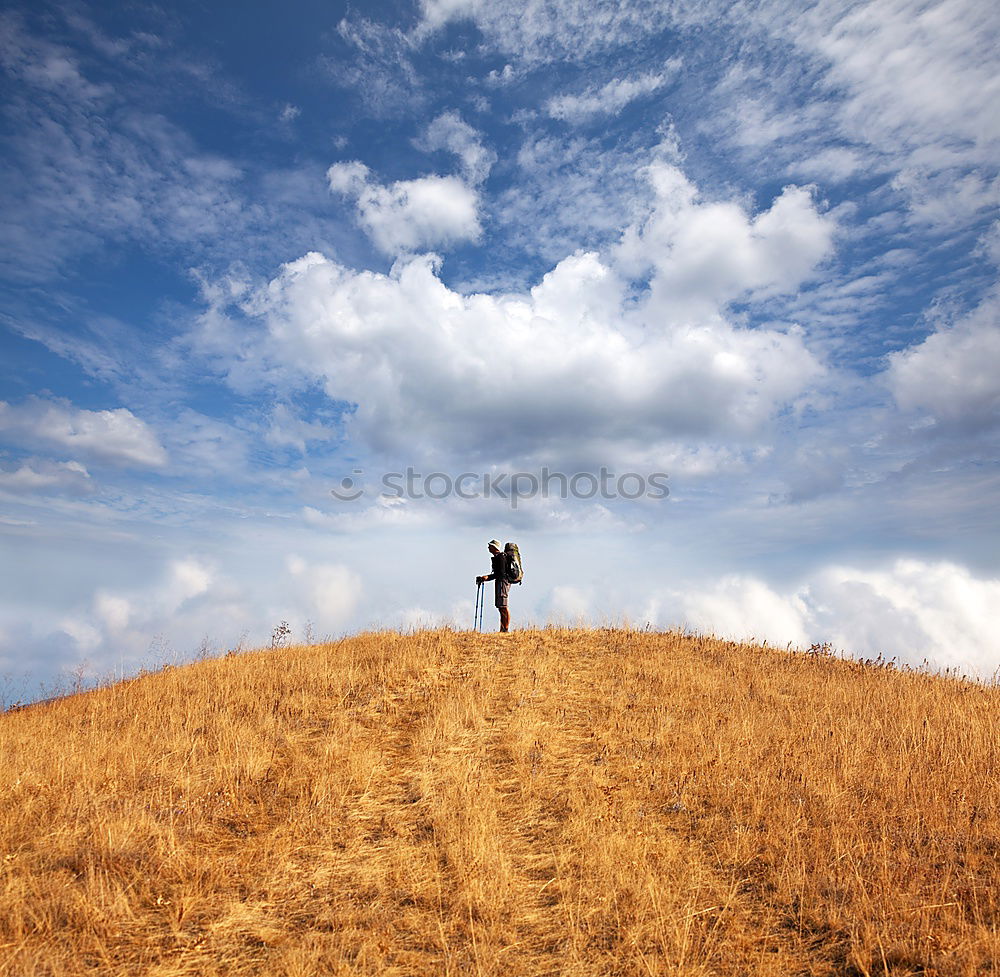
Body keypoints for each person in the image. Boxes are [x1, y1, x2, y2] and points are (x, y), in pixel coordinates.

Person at [476, 539, 510, 632]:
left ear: (494, 547)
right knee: (500, 606)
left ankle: (505, 629)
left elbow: (500, 573)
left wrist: (487, 577)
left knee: (503, 606)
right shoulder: (498, 557)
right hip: (500, 582)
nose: (488, 547)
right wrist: (486, 578)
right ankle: (503, 629)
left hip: (503, 582)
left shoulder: (501, 557)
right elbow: (498, 574)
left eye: (490, 546)